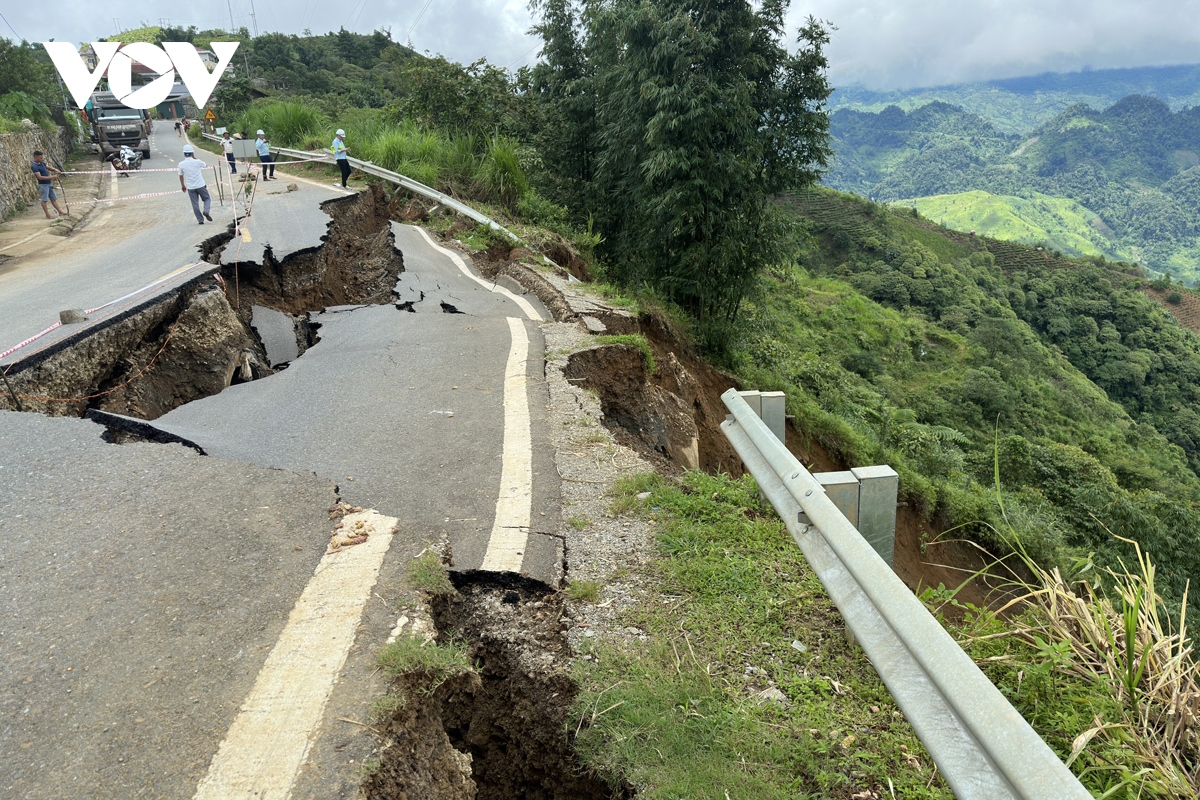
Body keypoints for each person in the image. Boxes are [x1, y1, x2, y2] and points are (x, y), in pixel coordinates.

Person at [178, 145, 213, 225]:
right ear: (192, 153)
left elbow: (180, 175)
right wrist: (195, 158)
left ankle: (200, 220)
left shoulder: (181, 164)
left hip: (190, 187)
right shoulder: (197, 161)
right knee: (207, 198)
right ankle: (206, 211)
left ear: (184, 153)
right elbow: (205, 165)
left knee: (195, 204)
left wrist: (183, 185)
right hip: (200, 185)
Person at [30, 151, 67, 219]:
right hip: (43, 185)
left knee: (53, 198)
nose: (42, 159)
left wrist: (55, 169)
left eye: (42, 157)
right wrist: (52, 177)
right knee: (44, 200)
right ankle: (47, 215)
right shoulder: (34, 166)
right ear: (35, 157)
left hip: (49, 184)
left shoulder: (41, 163)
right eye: (40, 158)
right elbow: (39, 177)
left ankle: (60, 212)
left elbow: (48, 167)